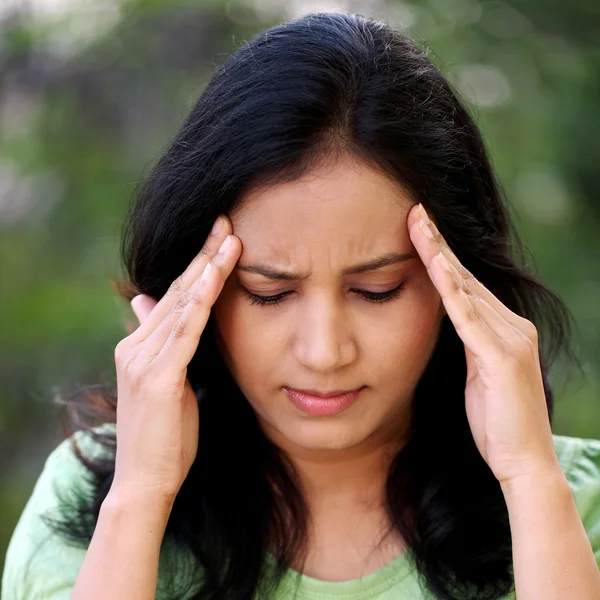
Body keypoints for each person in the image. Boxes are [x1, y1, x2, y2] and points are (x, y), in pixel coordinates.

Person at [3, 10, 600, 600]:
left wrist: (530, 481)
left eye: (376, 290)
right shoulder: (90, 503)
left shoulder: (580, 502)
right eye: (270, 293)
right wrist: (141, 495)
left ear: (462, 286)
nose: (324, 352)